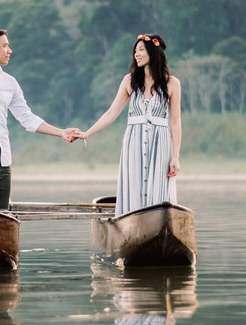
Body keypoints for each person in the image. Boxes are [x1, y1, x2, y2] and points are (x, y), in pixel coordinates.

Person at [0, 27, 80, 209]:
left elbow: (26, 117)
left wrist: (61, 133)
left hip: (3, 159)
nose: (9, 50)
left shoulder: (9, 83)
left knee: (1, 216)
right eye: (5, 46)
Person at [75, 34, 182, 215]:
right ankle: (132, 224)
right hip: (134, 142)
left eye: (141, 50)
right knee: (134, 184)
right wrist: (87, 133)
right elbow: (111, 113)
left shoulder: (172, 83)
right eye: (135, 51)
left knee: (159, 186)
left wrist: (175, 157)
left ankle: (160, 222)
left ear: (153, 52)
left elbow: (175, 122)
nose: (136, 54)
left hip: (161, 144)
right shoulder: (129, 81)